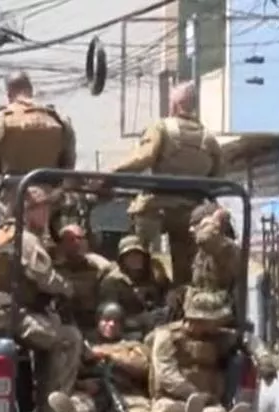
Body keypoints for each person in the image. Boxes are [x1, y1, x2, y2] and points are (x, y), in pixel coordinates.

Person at [0, 186, 85, 412]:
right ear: (26, 211)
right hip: (8, 314)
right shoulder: (24, 238)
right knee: (68, 338)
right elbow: (46, 278)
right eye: (41, 208)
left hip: (0, 311)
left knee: (50, 331)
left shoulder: (7, 232)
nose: (46, 214)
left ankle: (46, 402)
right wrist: (69, 288)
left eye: (47, 207)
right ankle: (54, 411)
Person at [110, 82, 224, 282]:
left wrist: (113, 171)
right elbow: (219, 176)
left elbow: (144, 157)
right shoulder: (210, 139)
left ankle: (139, 284)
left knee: (136, 247)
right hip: (191, 212)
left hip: (157, 208)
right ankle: (181, 295)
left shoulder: (162, 128)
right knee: (186, 265)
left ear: (176, 104)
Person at [149, 288, 276, 412]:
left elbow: (249, 339)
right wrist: (193, 393)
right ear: (196, 319)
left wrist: (264, 361)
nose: (215, 324)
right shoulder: (166, 336)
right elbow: (166, 373)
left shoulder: (218, 337)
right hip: (171, 399)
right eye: (211, 320)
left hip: (209, 401)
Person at [72, 302, 178, 412]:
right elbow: (73, 370)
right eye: (106, 320)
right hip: (94, 393)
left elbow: (143, 366)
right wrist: (82, 383)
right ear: (98, 322)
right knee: (80, 402)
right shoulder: (85, 346)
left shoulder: (132, 345)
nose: (111, 325)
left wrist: (109, 356)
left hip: (126, 393)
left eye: (116, 322)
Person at [0, 71, 77, 198]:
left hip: (13, 205)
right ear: (31, 90)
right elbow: (69, 163)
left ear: (9, 94)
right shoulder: (59, 119)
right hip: (51, 204)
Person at [98, 235, 171, 339]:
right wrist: (142, 320)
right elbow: (109, 316)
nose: (135, 259)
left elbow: (166, 297)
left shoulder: (154, 276)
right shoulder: (112, 282)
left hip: (157, 326)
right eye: (130, 256)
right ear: (122, 259)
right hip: (127, 329)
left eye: (138, 255)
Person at [53, 224, 112, 333]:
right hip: (64, 323)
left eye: (80, 238)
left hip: (94, 319)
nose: (77, 243)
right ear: (61, 244)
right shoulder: (54, 269)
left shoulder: (99, 266)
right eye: (70, 239)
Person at [189, 204, 241, 297]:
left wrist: (214, 226)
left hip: (222, 307)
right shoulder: (202, 254)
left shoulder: (226, 248)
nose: (191, 230)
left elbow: (211, 243)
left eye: (196, 224)